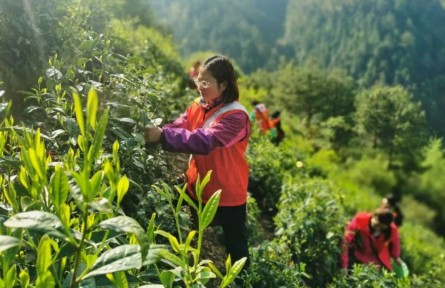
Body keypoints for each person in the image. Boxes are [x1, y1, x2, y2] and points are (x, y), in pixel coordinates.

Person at [145, 55, 251, 272]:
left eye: (206, 82)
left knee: (237, 251)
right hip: (196, 182)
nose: (199, 86)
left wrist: (162, 136)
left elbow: (206, 140)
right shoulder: (198, 106)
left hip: (227, 194)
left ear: (223, 84)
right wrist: (159, 130)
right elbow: (179, 125)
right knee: (160, 202)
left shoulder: (236, 117)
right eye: (198, 80)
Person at [341, 207, 401, 272]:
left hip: (372, 257)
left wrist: (396, 257)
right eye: (376, 225)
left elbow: (395, 243)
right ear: (373, 216)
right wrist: (344, 267)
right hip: (356, 250)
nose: (378, 229)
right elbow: (345, 242)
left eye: (381, 227)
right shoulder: (360, 219)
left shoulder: (392, 230)